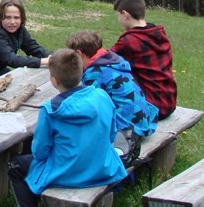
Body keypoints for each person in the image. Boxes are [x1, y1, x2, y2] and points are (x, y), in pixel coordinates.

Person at [8, 48, 128, 207]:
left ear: (54, 81)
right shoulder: (102, 96)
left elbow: (39, 152)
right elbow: (112, 134)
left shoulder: (51, 109)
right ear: (82, 72)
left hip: (67, 173)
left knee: (15, 166)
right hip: (103, 168)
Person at [66, 30, 158, 162]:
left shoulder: (95, 73)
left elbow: (87, 106)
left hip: (126, 129)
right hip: (142, 121)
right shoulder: (113, 61)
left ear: (79, 54)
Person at [110, 0, 177, 120]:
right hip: (169, 101)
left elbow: (103, 61)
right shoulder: (158, 34)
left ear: (124, 14)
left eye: (118, 15)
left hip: (152, 107)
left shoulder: (129, 41)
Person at [0, 0, 51, 81]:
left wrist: (55, 57)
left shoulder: (20, 30)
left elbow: (33, 48)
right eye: (8, 17)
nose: (12, 22)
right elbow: (12, 60)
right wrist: (44, 61)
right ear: (0, 18)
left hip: (1, 71)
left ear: (22, 19)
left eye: (16, 18)